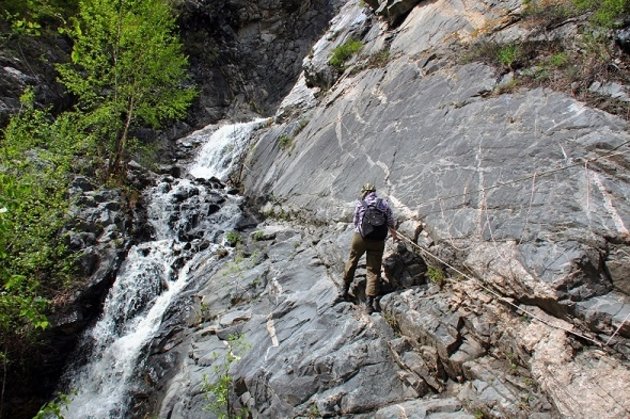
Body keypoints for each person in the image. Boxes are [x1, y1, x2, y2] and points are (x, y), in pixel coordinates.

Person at [340, 183, 397, 313]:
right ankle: (369, 304)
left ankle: (344, 288)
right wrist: (394, 236)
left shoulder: (361, 203)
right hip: (377, 240)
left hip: (360, 237)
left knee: (352, 260)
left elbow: (356, 221)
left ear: (364, 192)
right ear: (374, 191)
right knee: (373, 270)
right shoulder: (384, 204)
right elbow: (390, 222)